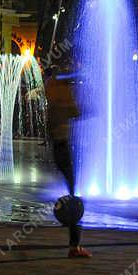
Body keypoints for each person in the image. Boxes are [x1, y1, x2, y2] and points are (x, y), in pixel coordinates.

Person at [43, 63, 91, 258]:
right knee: (73, 195)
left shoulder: (53, 89)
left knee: (73, 191)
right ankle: (74, 246)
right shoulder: (60, 92)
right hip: (63, 146)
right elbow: (76, 112)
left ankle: (74, 244)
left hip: (60, 145)